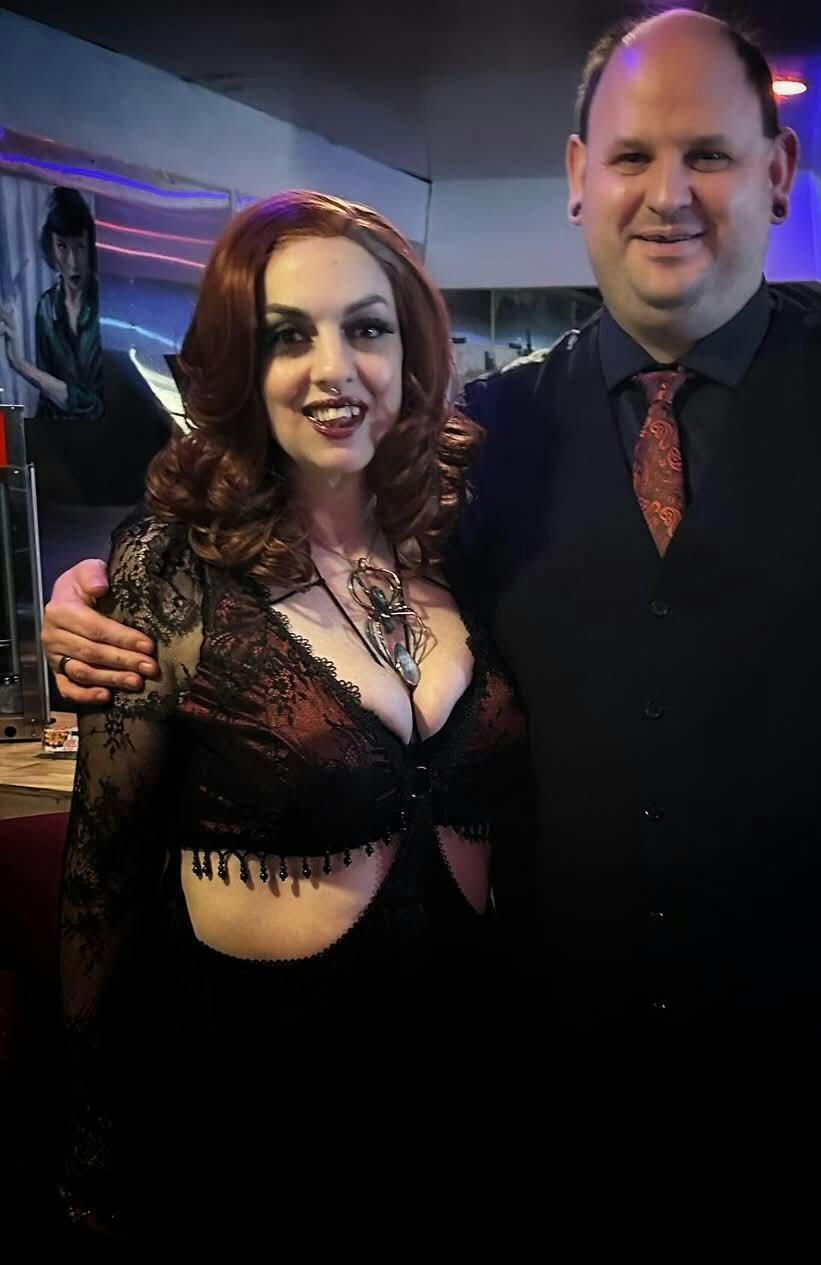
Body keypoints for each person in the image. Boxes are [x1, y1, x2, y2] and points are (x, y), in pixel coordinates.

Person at [43, 11, 821, 1186]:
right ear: (580, 177)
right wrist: (111, 590)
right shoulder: (489, 436)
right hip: (541, 1078)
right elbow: (315, 557)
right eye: (632, 155)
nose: (668, 194)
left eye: (709, 154)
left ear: (779, 173)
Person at [48, 189, 530, 1238]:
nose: (333, 368)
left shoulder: (460, 544)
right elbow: (101, 884)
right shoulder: (170, 570)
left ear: (410, 351)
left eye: (366, 328)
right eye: (287, 336)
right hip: (251, 1124)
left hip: (467, 1104)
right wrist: (89, 1156)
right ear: (238, 362)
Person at [0, 186, 105, 419]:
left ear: (91, 247)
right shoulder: (46, 308)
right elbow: (48, 396)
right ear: (51, 247)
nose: (72, 261)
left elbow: (94, 405)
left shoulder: (106, 308)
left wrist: (20, 364)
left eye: (80, 246)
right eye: (62, 246)